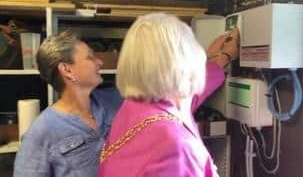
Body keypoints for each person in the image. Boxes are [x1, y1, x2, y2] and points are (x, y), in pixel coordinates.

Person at [98, 13, 239, 177]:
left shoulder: (134, 108)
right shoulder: (176, 145)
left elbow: (185, 100)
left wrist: (220, 59)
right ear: (185, 61)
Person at [13, 31, 123, 177]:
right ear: (67, 70)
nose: (100, 62)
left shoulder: (115, 99)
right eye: (90, 57)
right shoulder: (41, 133)